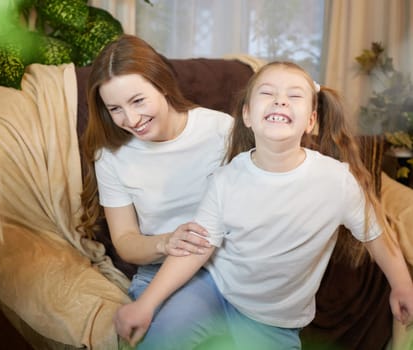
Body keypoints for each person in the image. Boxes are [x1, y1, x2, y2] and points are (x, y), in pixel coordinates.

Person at [114, 61, 413, 349]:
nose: (280, 101)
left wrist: (401, 284)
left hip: (274, 320)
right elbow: (197, 247)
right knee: (159, 339)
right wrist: (146, 304)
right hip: (214, 290)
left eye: (294, 95)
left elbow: (375, 233)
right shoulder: (226, 179)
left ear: (311, 121)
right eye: (268, 93)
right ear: (247, 115)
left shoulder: (337, 181)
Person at [78, 34, 236, 348]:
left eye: (138, 100)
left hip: (226, 267)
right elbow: (125, 241)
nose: (131, 119)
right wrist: (165, 242)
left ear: (161, 84)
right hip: (158, 269)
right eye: (115, 108)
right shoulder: (110, 155)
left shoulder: (222, 131)